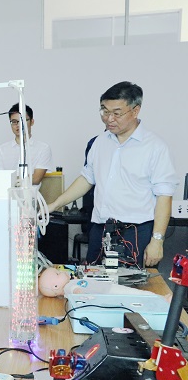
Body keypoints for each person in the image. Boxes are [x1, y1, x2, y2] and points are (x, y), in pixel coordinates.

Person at [48, 81, 178, 268]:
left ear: (135, 110)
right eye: (104, 111)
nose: (109, 119)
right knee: (93, 280)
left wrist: (157, 240)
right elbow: (86, 179)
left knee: (134, 284)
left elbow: (164, 196)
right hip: (100, 228)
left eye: (117, 113)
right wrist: (55, 205)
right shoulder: (100, 142)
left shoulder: (155, 147)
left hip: (135, 231)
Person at [0, 103, 53, 185]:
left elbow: (36, 179)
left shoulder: (43, 148)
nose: (18, 125)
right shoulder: (2, 149)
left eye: (23, 121)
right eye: (14, 122)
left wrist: (10, 180)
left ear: (32, 122)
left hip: (31, 193)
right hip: (7, 192)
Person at [38, 267, 169, 299]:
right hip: (108, 291)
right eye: (57, 273)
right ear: (55, 286)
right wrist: (78, 292)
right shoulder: (69, 287)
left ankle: (159, 298)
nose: (61, 271)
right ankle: (161, 299)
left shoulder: (71, 282)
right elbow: (74, 291)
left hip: (108, 289)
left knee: (134, 294)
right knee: (134, 294)